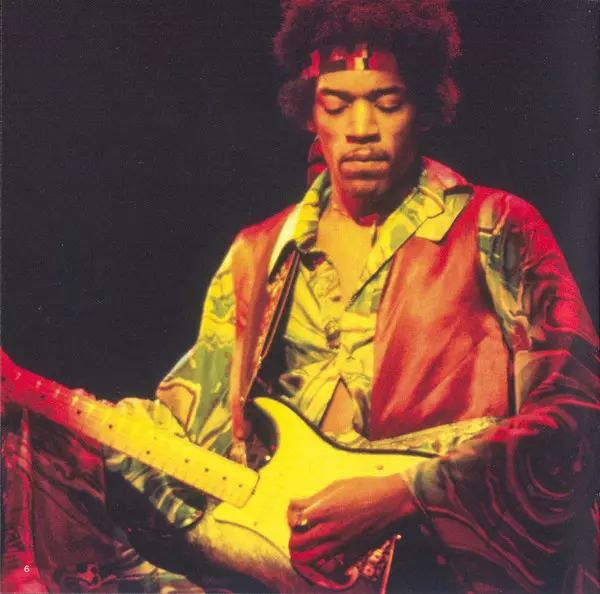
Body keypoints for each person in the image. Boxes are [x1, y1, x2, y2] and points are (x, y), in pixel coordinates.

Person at [105, 0, 599, 592]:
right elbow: (191, 432)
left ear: (425, 109)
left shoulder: (497, 228)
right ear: (310, 114)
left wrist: (408, 495)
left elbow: (575, 417)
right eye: (336, 105)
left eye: (387, 103)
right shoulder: (257, 257)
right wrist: (59, 421)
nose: (361, 128)